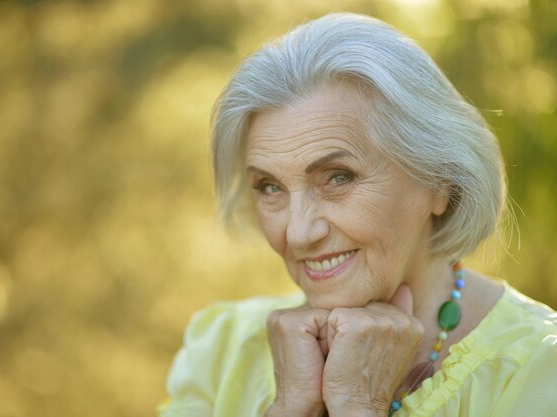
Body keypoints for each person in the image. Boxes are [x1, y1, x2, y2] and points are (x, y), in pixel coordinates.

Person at [157, 13, 557, 417]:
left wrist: (358, 407)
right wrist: (292, 406)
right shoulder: (221, 351)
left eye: (338, 177)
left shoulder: (541, 370)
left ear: (439, 180)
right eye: (270, 187)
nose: (297, 233)